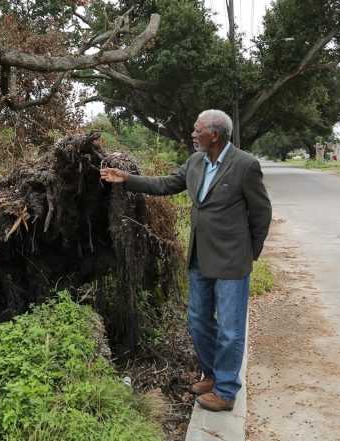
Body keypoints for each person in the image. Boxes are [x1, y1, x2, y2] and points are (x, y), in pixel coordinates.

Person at [100, 109, 272, 412]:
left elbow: (261, 214)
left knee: (231, 328)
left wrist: (250, 253)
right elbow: (166, 184)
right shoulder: (195, 162)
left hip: (232, 260)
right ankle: (214, 374)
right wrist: (127, 179)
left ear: (214, 134)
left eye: (197, 129)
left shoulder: (245, 165)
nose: (192, 134)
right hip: (199, 257)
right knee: (197, 320)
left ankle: (227, 391)